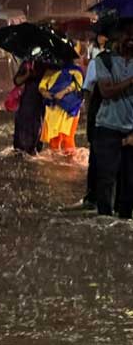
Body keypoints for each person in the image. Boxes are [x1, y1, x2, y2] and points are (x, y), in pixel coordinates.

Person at [92, 26, 133, 218]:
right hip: (107, 129)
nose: (130, 38)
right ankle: (104, 227)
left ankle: (123, 222)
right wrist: (131, 81)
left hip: (131, 130)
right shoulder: (104, 61)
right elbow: (106, 91)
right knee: (106, 181)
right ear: (116, 35)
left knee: (129, 185)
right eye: (127, 33)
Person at [79, 30, 111, 208]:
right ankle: (94, 198)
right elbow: (88, 92)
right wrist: (90, 118)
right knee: (98, 160)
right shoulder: (98, 62)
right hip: (101, 119)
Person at [39, 58, 84, 153]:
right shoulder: (50, 71)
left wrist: (63, 92)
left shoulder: (75, 71)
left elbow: (78, 84)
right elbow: (42, 86)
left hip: (69, 110)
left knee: (68, 139)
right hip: (53, 110)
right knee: (54, 141)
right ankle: (56, 166)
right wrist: (45, 93)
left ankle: (70, 165)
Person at [12, 59, 46, 155]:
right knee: (22, 123)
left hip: (40, 102)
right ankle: (21, 149)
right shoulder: (28, 63)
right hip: (26, 101)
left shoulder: (48, 64)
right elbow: (17, 81)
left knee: (37, 126)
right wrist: (27, 75)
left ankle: (34, 149)